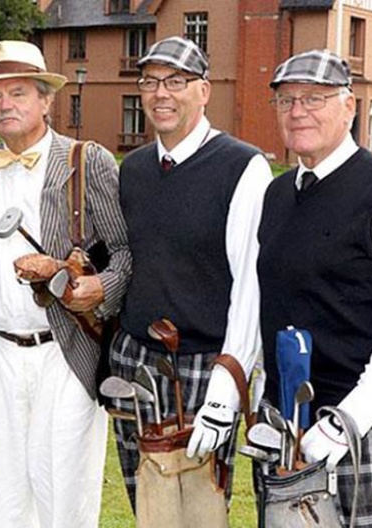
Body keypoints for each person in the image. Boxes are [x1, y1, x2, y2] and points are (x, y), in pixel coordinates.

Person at [0, 40, 131, 528]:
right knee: (5, 496)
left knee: (63, 492)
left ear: (46, 100)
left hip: (65, 352)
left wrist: (98, 288)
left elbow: (126, 253)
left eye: (19, 93)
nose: (5, 105)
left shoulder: (87, 162)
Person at [258, 49, 372, 526]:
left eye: (314, 98)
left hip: (361, 426)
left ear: (349, 106)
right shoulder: (277, 194)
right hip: (285, 421)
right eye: (287, 100)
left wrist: (344, 424)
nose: (298, 111)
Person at [113, 36, 272, 509]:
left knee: (199, 511)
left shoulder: (244, 167)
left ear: (204, 91)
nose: (162, 93)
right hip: (135, 360)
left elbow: (251, 286)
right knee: (146, 502)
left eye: (177, 81)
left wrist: (231, 382)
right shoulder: (135, 168)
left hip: (205, 367)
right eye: (151, 81)